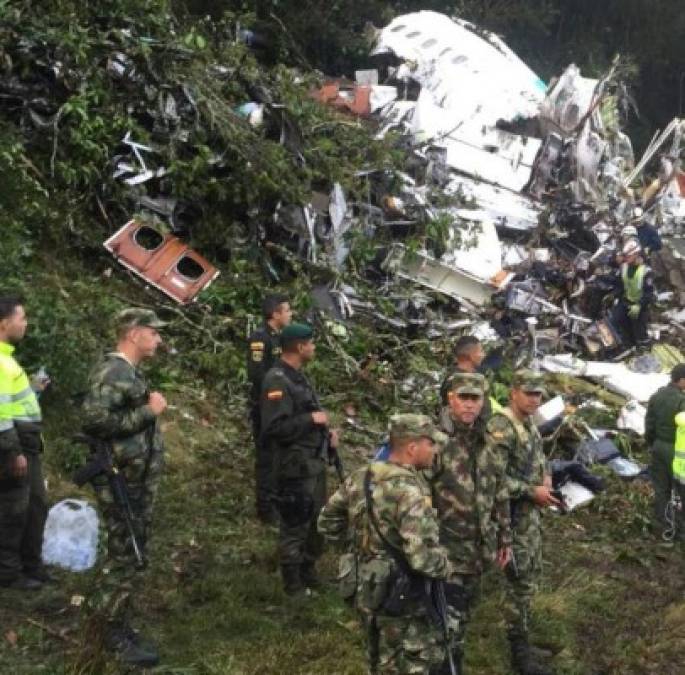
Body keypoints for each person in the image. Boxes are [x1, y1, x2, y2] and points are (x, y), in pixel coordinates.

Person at [318, 414, 454, 674]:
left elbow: (327, 521)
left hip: (366, 585)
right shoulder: (411, 492)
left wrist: (356, 548)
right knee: (414, 661)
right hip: (404, 595)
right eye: (431, 444)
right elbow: (420, 558)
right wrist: (446, 566)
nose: (435, 450)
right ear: (412, 448)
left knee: (378, 656)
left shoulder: (362, 476)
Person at [81, 308, 168, 667]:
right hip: (121, 479)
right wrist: (150, 412)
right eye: (154, 332)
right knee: (124, 553)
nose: (159, 339)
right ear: (134, 333)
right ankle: (108, 632)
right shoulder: (113, 372)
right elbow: (94, 420)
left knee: (131, 551)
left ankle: (117, 620)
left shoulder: (127, 372)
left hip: (133, 477)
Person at [429, 372, 512, 674]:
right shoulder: (434, 442)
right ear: (450, 398)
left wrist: (505, 537)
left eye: (474, 399)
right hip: (443, 550)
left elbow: (499, 491)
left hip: (478, 551)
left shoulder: (488, 442)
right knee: (443, 625)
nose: (468, 405)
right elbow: (414, 495)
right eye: (463, 398)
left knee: (462, 620)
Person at [485, 370, 560, 675]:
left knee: (528, 577)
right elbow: (493, 480)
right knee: (518, 582)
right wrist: (532, 491)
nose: (534, 399)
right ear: (513, 392)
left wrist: (546, 478)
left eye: (538, 395)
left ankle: (523, 641)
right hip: (511, 517)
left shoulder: (527, 423)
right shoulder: (501, 426)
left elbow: (538, 459)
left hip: (529, 516)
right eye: (528, 393)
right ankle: (518, 653)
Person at [260, 322, 337, 596]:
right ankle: (292, 585)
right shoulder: (277, 379)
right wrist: (311, 420)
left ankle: (308, 572)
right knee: (295, 523)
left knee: (317, 522)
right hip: (294, 467)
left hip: (312, 463)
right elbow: (274, 427)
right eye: (311, 343)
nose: (314, 348)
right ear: (300, 346)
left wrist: (325, 433)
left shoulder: (298, 377)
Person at [0, 294, 49, 590]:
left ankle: (29, 565)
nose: (26, 323)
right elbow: (0, 414)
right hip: (14, 447)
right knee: (13, 511)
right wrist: (13, 452)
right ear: (5, 324)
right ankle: (9, 573)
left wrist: (33, 390)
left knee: (33, 506)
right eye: (22, 318)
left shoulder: (6, 359)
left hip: (24, 445)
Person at [247, 293, 292, 523]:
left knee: (280, 454)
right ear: (276, 314)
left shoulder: (280, 337)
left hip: (278, 406)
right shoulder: (260, 338)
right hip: (265, 407)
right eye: (287, 310)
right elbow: (257, 374)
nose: (290, 314)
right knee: (266, 457)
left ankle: (276, 499)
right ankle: (265, 508)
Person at [645, 364, 685, 540]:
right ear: (681, 380)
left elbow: (649, 425)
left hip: (658, 447)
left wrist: (652, 444)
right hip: (677, 452)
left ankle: (663, 527)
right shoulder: (681, 401)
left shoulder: (656, 396)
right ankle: (681, 530)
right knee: (682, 491)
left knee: (661, 490)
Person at [611, 240, 654, 348]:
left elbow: (649, 293)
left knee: (640, 333)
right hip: (625, 301)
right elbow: (619, 284)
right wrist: (616, 296)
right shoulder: (624, 267)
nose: (626, 258)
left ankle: (644, 346)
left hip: (640, 306)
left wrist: (639, 305)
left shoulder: (646, 271)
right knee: (616, 321)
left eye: (628, 256)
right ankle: (629, 345)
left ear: (636, 254)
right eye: (625, 256)